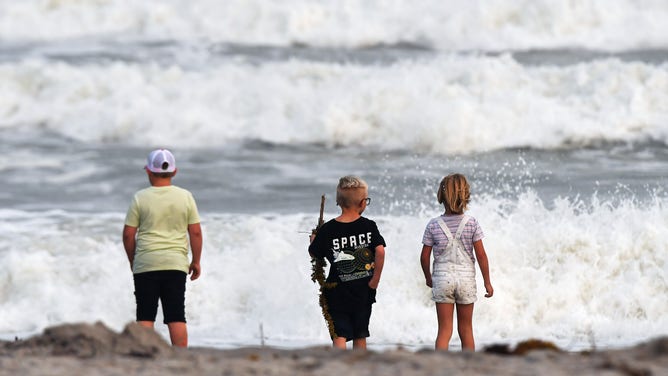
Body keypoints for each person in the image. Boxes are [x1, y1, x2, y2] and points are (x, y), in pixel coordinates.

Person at [122, 149, 203, 347]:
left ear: (149, 171)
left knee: (145, 315)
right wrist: (196, 261)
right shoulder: (185, 197)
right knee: (176, 315)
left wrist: (134, 260)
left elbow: (128, 234)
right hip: (175, 263)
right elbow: (195, 233)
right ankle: (181, 356)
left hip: (146, 263)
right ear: (174, 172)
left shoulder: (140, 198)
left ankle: (145, 354)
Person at [308, 176, 386, 350]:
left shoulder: (327, 230)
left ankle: (340, 365)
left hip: (336, 291)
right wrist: (375, 280)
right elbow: (380, 251)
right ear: (362, 203)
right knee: (360, 333)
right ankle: (359, 365)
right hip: (363, 289)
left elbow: (315, 253)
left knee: (339, 334)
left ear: (338, 202)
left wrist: (314, 240)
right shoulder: (369, 226)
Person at [420, 173, 493, 351]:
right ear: (465, 196)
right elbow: (481, 256)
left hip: (442, 279)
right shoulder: (472, 223)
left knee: (444, 330)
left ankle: (440, 365)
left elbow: (424, 256)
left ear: (441, 196)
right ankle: (468, 366)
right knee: (466, 329)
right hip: (466, 280)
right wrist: (487, 282)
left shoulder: (433, 225)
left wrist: (428, 277)